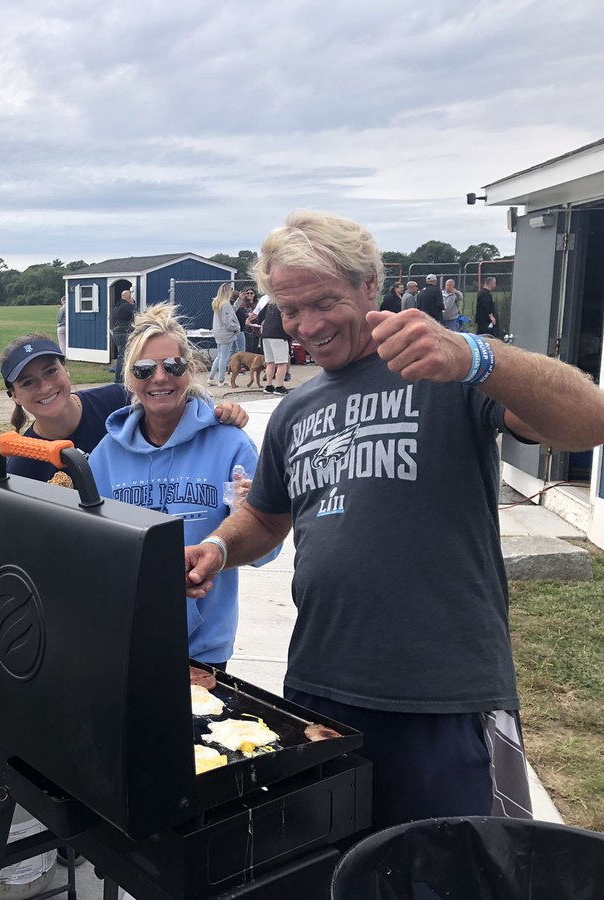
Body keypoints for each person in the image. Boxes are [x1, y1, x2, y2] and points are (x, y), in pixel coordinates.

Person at [183, 210, 604, 830]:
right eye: (289, 309)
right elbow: (268, 518)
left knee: (457, 873)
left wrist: (479, 357)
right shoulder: (298, 406)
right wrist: (218, 546)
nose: (307, 325)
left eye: (324, 302)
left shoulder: (445, 369)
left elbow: (587, 422)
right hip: (318, 690)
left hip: (442, 696)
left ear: (370, 286)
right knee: (322, 867)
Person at [89, 304, 279, 667]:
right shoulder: (106, 455)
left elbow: (266, 552)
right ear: (129, 379)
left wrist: (245, 513)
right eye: (144, 369)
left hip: (203, 651)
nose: (160, 378)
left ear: (189, 370)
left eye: (172, 366)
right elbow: (93, 554)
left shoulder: (231, 444)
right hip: (126, 642)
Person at [0, 334, 249, 483]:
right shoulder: (23, 461)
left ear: (67, 370)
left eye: (51, 371)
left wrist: (216, 412)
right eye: (28, 382)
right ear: (15, 396)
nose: (45, 387)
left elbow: (172, 400)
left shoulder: (119, 401)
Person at [248, 293, 291, 394]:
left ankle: (269, 385)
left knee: (270, 362)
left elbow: (260, 315)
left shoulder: (268, 302)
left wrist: (250, 320)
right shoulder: (283, 303)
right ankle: (280, 387)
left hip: (265, 334)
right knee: (282, 363)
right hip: (278, 334)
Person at [207, 284, 240, 386]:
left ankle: (211, 378)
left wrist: (239, 300)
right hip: (226, 333)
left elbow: (231, 311)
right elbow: (227, 321)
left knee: (220, 356)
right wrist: (236, 327)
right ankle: (221, 380)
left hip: (218, 332)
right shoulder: (225, 304)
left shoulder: (217, 302)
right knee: (224, 357)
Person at [110, 289, 136, 383]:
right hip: (123, 333)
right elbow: (136, 316)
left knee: (121, 356)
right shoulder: (128, 306)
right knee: (122, 356)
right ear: (129, 297)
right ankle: (119, 379)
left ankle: (123, 376)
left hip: (116, 333)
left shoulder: (117, 306)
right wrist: (133, 305)